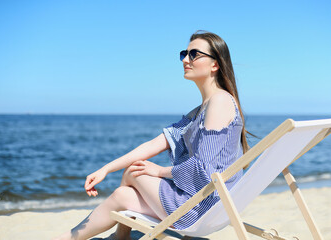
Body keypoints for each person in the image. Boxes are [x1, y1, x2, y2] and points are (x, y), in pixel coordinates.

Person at [54, 30, 251, 240]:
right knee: (123, 193)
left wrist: (160, 171)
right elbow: (153, 144)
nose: (185, 59)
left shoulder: (219, 101)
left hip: (202, 207)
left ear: (215, 64)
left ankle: (116, 238)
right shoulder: (201, 110)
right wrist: (105, 169)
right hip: (205, 203)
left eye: (194, 54)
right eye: (184, 53)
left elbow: (203, 168)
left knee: (134, 171)